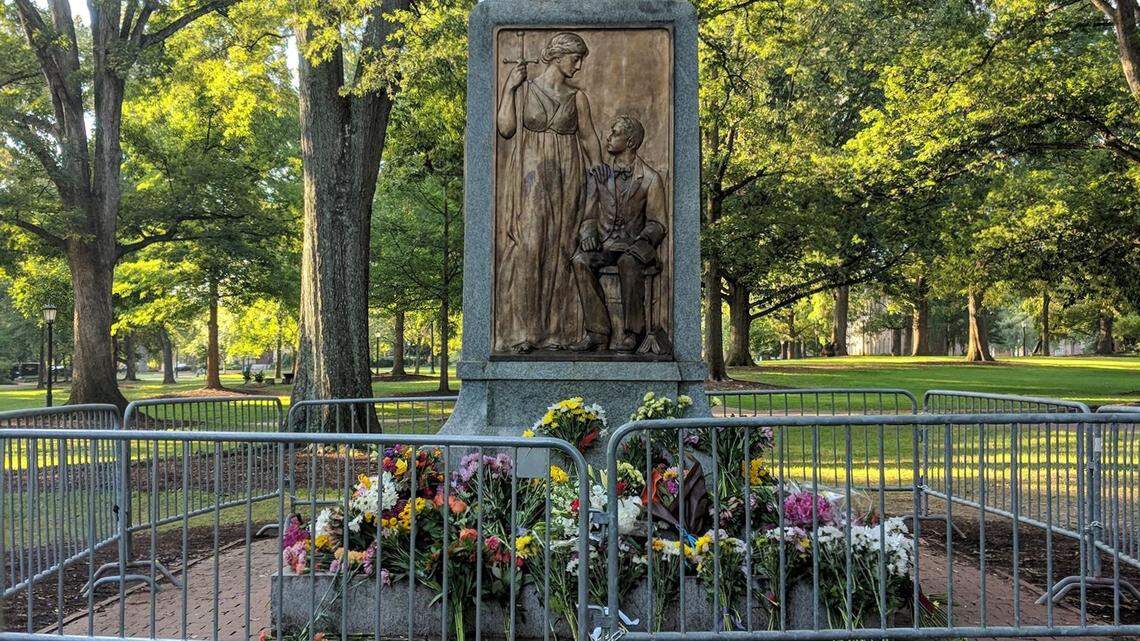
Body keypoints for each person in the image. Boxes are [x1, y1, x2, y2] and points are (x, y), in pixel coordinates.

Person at [495, 32, 603, 354]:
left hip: (568, 176)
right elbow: (506, 129)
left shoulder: (577, 97)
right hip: (530, 176)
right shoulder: (526, 89)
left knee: (561, 248)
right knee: (530, 247)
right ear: (557, 57)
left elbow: (589, 139)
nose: (580, 65)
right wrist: (509, 88)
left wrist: (600, 175)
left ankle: (557, 331)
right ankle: (525, 331)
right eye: (575, 58)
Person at [570, 115, 667, 353]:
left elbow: (658, 223)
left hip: (633, 247)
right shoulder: (599, 174)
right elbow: (589, 214)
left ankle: (632, 333)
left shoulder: (651, 178)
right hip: (604, 245)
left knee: (628, 262)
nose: (608, 137)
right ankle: (598, 333)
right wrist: (588, 232)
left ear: (631, 142)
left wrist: (640, 242)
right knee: (580, 260)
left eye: (615, 133)